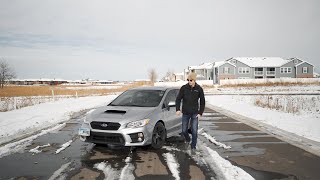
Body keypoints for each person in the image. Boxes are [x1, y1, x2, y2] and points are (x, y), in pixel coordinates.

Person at [176, 72, 205, 151]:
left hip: (195, 113)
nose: (189, 81)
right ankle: (188, 140)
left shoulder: (199, 89)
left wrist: (200, 113)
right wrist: (178, 109)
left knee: (194, 131)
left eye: (191, 80)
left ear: (194, 80)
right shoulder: (184, 88)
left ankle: (193, 147)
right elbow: (178, 99)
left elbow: (202, 102)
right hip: (185, 113)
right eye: (188, 80)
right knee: (184, 131)